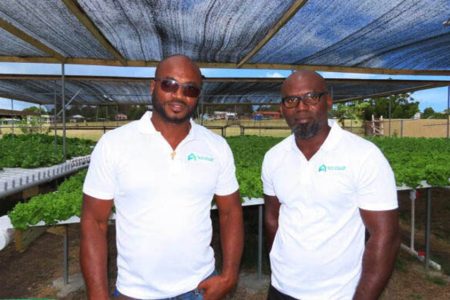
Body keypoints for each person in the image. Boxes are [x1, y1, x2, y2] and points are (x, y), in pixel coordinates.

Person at [80, 55, 244, 300]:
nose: (179, 95)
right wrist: (98, 295)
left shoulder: (215, 146)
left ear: (198, 96)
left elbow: (231, 212)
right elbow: (94, 221)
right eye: (169, 85)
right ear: (153, 86)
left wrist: (229, 276)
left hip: (200, 288)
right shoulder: (114, 144)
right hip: (135, 293)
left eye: (190, 89)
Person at [262, 70, 400, 300]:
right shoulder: (274, 157)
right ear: (282, 108)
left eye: (311, 97)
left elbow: (386, 236)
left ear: (328, 101)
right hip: (281, 289)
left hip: (339, 293)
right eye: (291, 100)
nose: (301, 107)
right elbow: (272, 219)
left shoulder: (364, 156)